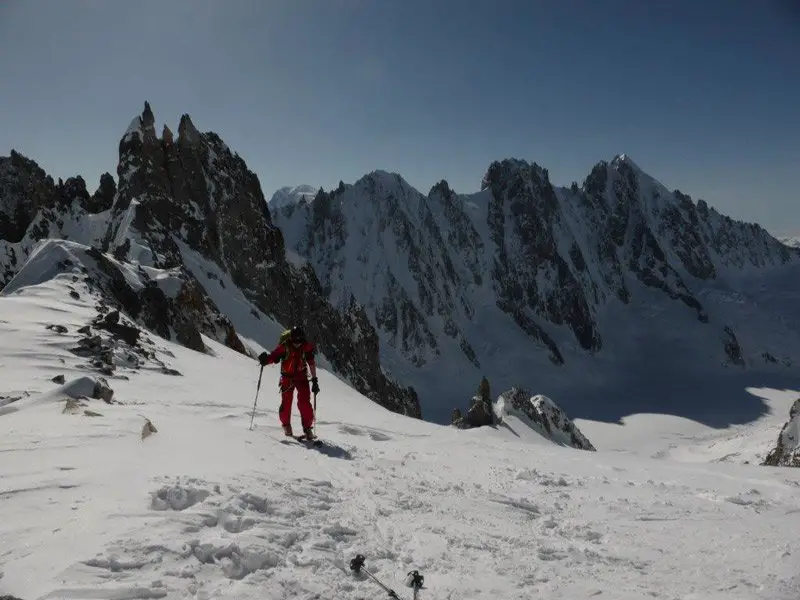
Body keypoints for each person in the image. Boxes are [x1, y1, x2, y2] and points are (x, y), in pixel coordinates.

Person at [258, 326, 320, 439]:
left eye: (299, 341)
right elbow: (273, 356)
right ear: (291, 339)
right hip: (287, 377)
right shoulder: (285, 346)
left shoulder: (305, 346)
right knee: (286, 402)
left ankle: (307, 428)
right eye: (295, 340)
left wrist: (315, 380)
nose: (297, 343)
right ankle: (287, 426)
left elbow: (311, 361)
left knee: (304, 402)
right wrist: (265, 360)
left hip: (300, 376)